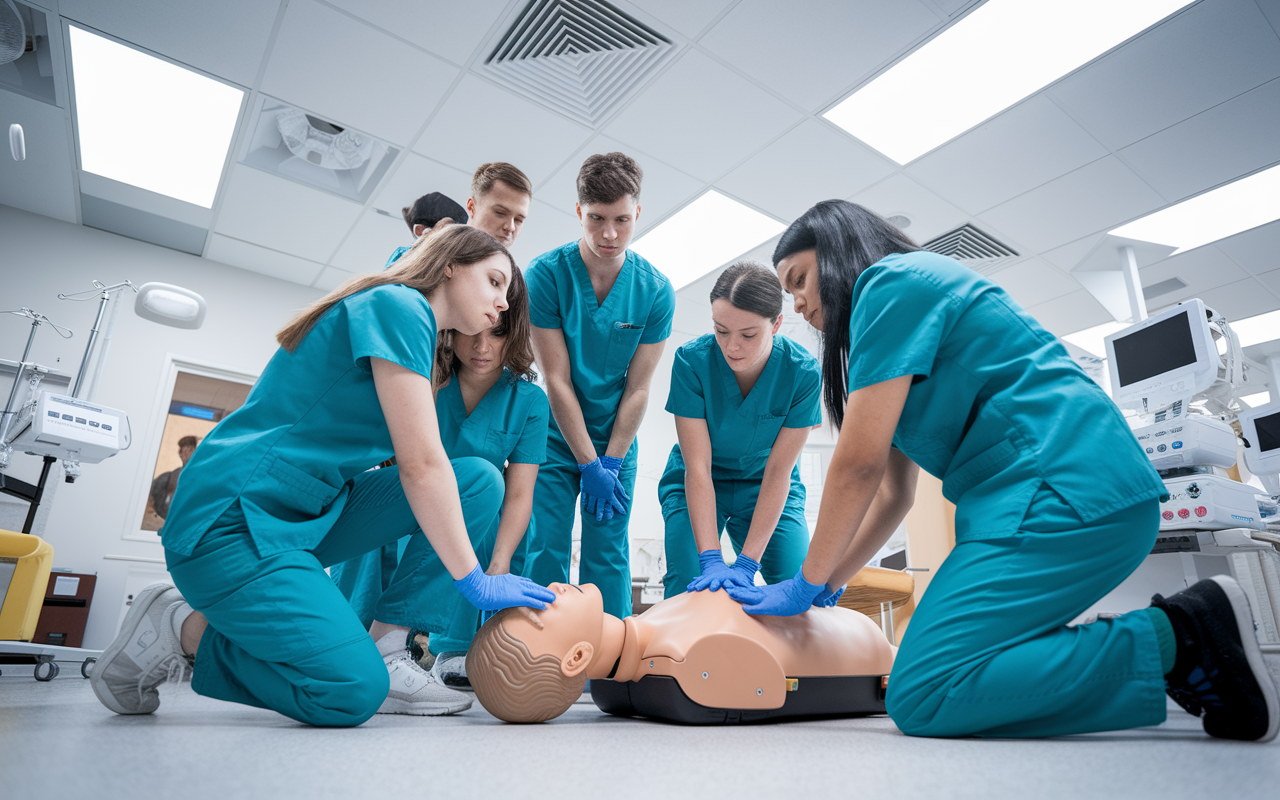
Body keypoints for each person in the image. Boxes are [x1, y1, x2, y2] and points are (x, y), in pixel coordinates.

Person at [738, 198, 1276, 742]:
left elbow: (857, 466)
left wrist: (805, 582)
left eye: (801, 279)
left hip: (1058, 490)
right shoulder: (887, 327)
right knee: (935, 676)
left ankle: (1178, 639)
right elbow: (892, 494)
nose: (799, 302)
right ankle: (1185, 645)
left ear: (839, 252)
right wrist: (831, 583)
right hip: (1049, 496)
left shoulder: (888, 284)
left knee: (924, 693)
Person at [89, 226, 556, 727]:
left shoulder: (424, 339)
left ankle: (389, 646)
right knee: (351, 691)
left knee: (479, 481)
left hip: (306, 513)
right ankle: (181, 628)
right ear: (449, 264)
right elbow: (422, 465)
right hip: (232, 520)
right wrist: (476, 581)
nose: (503, 302)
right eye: (493, 281)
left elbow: (436, 472)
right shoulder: (401, 307)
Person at [331, 268, 549, 690]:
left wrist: (498, 568)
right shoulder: (426, 375)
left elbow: (522, 493)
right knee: (393, 521)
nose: (482, 347)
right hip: (410, 502)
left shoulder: (530, 401)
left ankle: (454, 649)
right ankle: (361, 637)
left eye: (498, 334)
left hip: (475, 516)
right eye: (473, 332)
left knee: (487, 498)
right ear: (454, 326)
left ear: (515, 334)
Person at [523, 152, 676, 618]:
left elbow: (639, 389)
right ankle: (534, 655)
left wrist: (608, 461)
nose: (609, 234)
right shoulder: (545, 276)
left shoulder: (656, 290)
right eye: (596, 219)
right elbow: (557, 379)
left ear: (638, 214)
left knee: (607, 551)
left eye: (622, 220)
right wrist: (587, 463)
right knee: (544, 545)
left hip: (616, 441)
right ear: (578, 213)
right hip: (553, 437)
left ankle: (607, 663)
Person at [465, 578, 896, 723]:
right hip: (870, 649)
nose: (547, 593)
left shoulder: (657, 628)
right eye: (539, 614)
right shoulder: (688, 658)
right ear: (577, 658)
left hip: (852, 630)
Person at [660, 261, 820, 599]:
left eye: (748, 335)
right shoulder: (692, 362)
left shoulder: (802, 373)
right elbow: (698, 468)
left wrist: (747, 564)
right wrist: (710, 557)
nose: (732, 347)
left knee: (795, 583)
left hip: (767, 482)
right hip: (702, 478)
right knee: (688, 584)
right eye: (721, 331)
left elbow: (779, 472)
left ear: (776, 324)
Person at [388, 163, 532, 270]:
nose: (510, 227)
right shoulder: (416, 258)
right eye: (500, 213)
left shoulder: (510, 288)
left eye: (519, 219)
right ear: (471, 207)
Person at [148, 435, 199, 521]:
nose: (187, 454)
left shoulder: (202, 475)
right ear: (181, 454)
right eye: (183, 451)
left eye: (191, 450)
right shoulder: (171, 476)